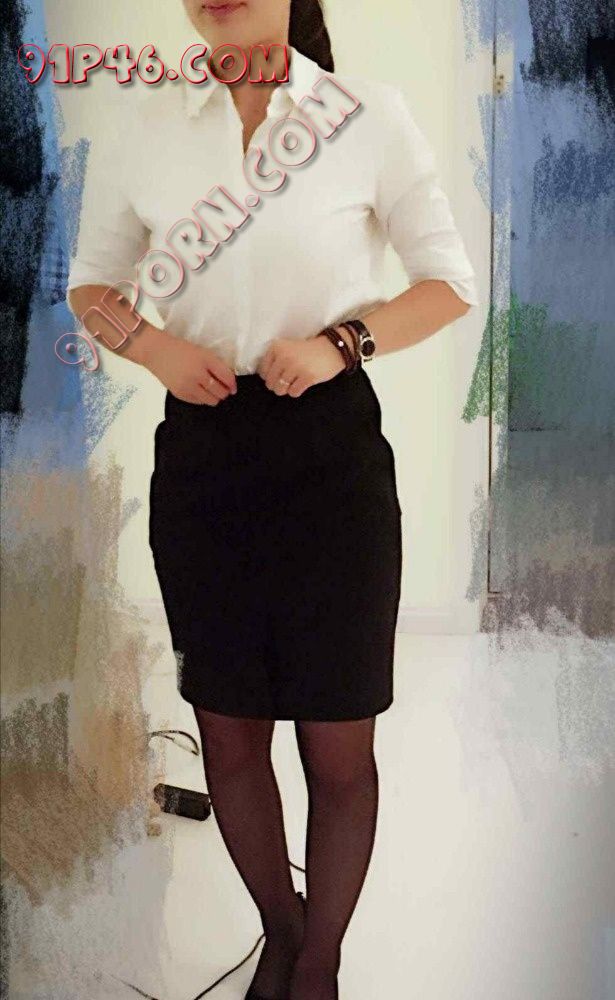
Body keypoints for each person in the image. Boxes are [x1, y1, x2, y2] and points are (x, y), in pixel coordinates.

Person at [67, 1, 479, 997]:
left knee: (338, 746)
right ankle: (283, 930)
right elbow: (92, 286)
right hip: (203, 462)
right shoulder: (146, 126)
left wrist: (344, 344)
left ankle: (320, 962)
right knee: (229, 732)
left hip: (330, 458)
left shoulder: (364, 115)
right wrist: (155, 348)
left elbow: (447, 281)